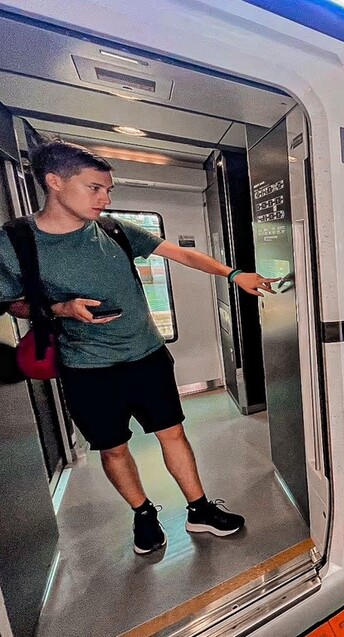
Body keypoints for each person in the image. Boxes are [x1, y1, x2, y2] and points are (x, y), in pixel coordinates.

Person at [0, 141, 279, 555]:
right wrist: (61, 308)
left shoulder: (113, 229)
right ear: (54, 182)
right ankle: (143, 513)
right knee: (113, 447)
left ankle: (199, 510)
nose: (105, 198)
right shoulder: (16, 241)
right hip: (86, 367)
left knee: (174, 433)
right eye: (95, 188)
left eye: (108, 190)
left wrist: (234, 273)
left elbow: (181, 254)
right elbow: (12, 301)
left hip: (147, 356)